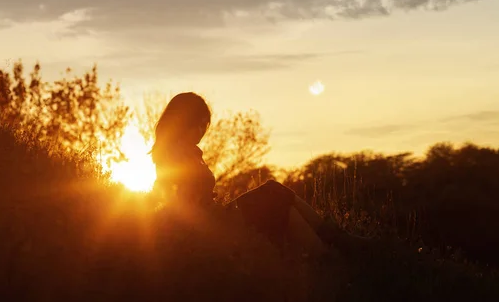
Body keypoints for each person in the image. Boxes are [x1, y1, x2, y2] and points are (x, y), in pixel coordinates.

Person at [150, 92, 363, 258]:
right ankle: (329, 251)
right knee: (274, 196)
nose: (201, 130)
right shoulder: (173, 153)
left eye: (203, 124)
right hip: (211, 224)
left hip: (217, 215)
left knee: (277, 196)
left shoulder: (190, 151)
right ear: (183, 121)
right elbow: (177, 201)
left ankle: (330, 247)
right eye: (198, 123)